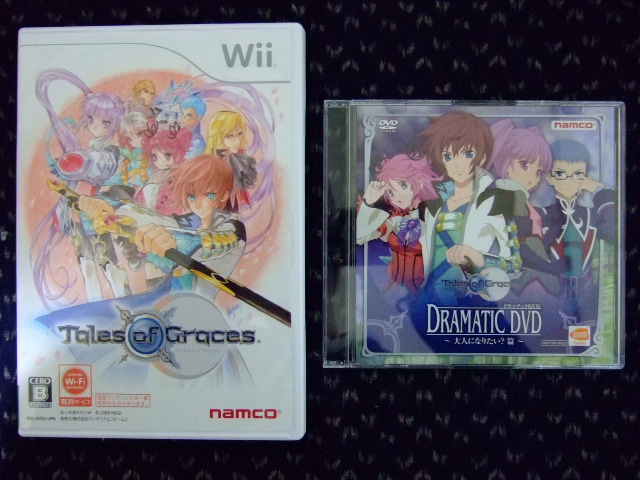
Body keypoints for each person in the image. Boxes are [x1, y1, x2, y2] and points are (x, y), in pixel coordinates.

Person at [411, 111, 519, 305]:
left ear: (482, 156)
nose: (458, 164)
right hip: (428, 301)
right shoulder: (430, 205)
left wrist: (477, 257)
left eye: (468, 154)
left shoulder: (496, 201)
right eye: (448, 156)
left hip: (468, 300)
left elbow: (514, 265)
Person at [356, 154, 441, 293]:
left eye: (403, 185)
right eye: (390, 191)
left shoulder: (436, 214)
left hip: (435, 289)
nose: (396, 195)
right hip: (402, 292)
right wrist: (368, 203)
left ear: (419, 183)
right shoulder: (395, 220)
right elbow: (361, 236)